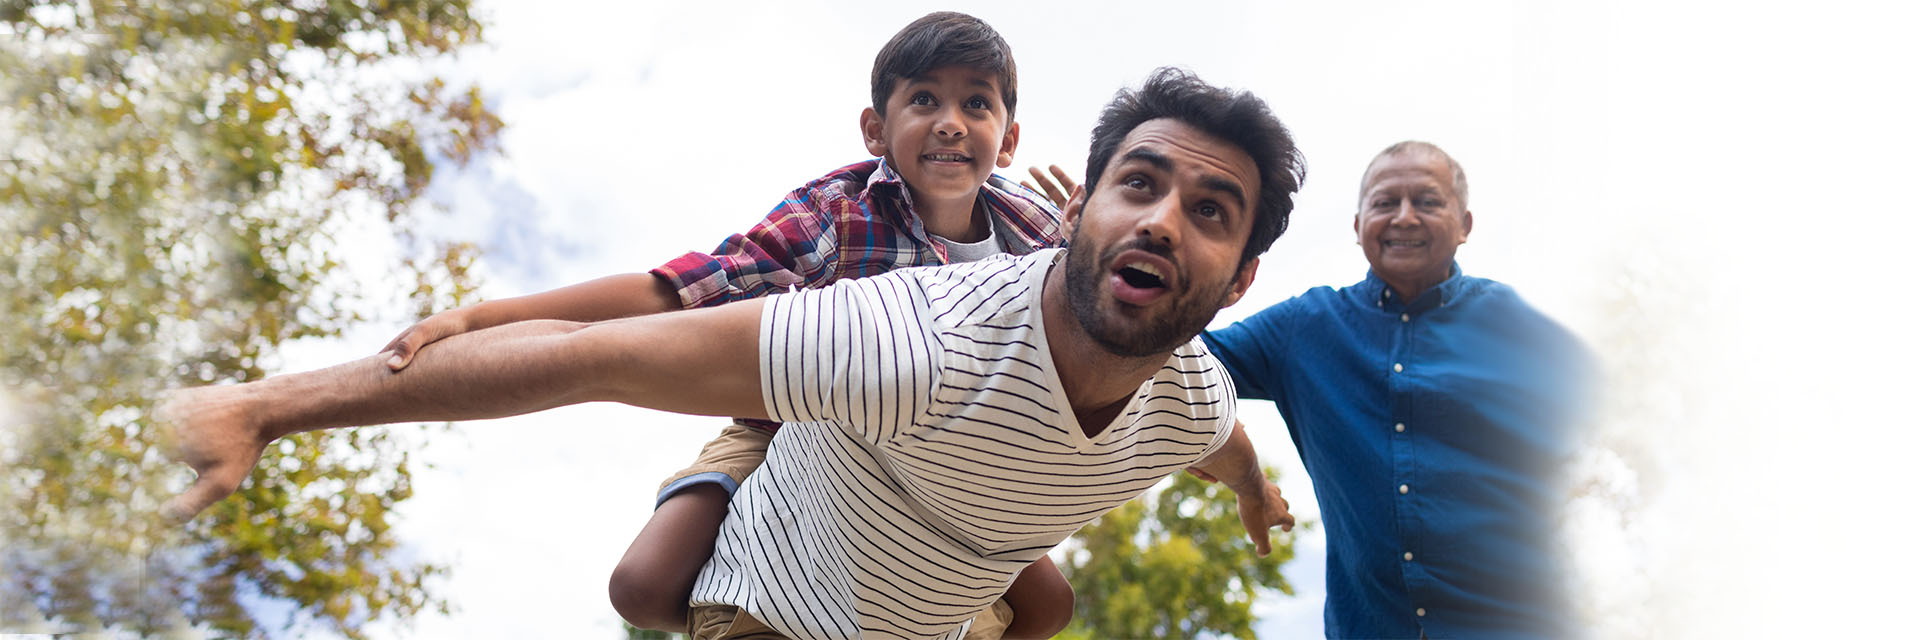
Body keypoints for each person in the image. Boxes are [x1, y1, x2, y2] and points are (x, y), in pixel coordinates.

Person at [158, 67, 1305, 640]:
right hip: (775, 607)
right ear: (1082, 209)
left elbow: (1217, 437)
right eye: (1139, 184)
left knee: (1045, 603)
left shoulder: (1190, 390)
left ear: (1239, 278)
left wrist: (1257, 491)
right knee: (643, 583)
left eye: (1210, 212)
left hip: (935, 575)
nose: (1161, 221)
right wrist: (270, 404)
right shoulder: (902, 332)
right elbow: (606, 347)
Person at [374, 12, 1073, 637]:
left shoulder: (1038, 233)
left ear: (1007, 140)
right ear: (876, 130)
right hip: (791, 431)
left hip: (945, 464)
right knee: (643, 587)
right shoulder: (839, 211)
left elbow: (1134, 327)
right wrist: (480, 317)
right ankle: (760, 586)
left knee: (1049, 607)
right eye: (925, 99)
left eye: (975, 104)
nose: (951, 120)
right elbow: (682, 293)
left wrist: (1093, 234)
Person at [1199, 141, 1594, 639]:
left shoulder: (1518, 328)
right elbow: (1172, 361)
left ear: (1465, 225)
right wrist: (1240, 469)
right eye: (1385, 203)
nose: (1405, 218)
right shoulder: (1307, 327)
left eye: (1427, 202)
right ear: (1359, 225)